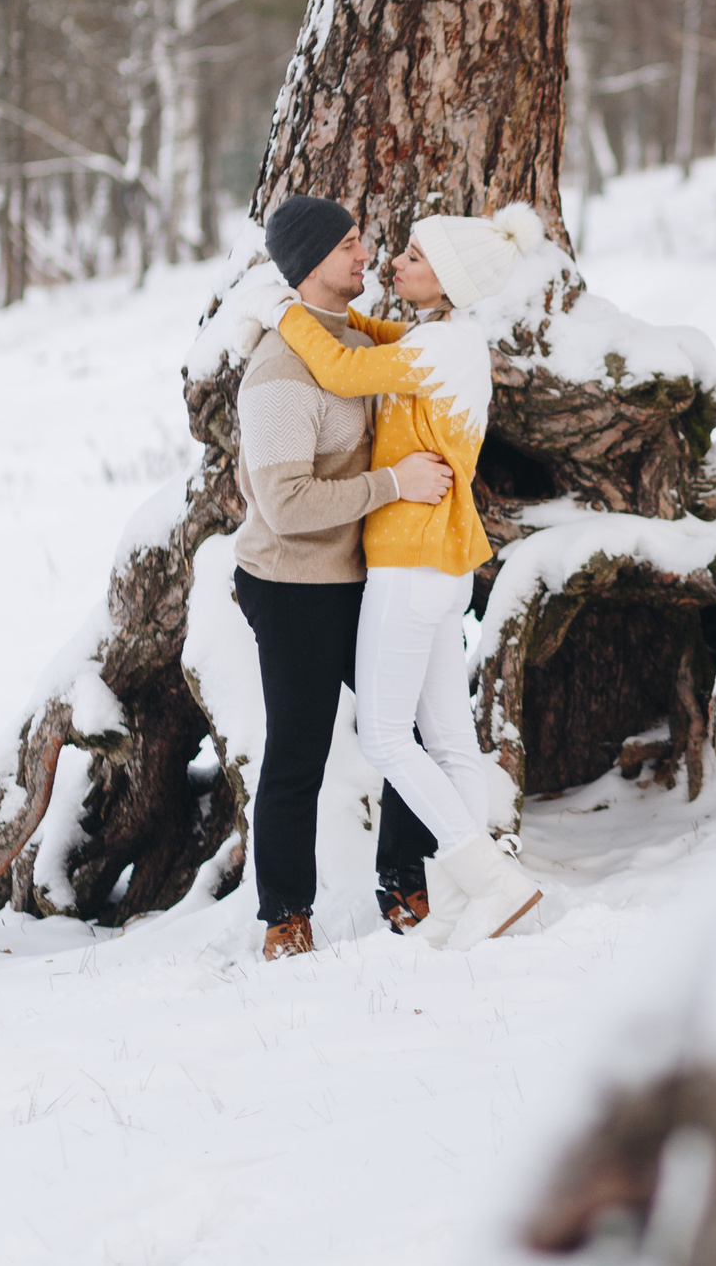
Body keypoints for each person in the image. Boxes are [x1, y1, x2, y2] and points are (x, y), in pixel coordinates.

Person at [266, 204, 548, 946]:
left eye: (415, 258)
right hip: (438, 567)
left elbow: (342, 365)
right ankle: (460, 902)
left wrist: (281, 311)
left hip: (411, 562)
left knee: (388, 737)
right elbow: (383, 341)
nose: (394, 262)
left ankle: (491, 879)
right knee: (450, 740)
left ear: (446, 278)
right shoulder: (444, 341)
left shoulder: (443, 349)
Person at [221, 197, 455, 961]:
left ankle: (403, 884)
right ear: (311, 259)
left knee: (406, 726)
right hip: (291, 586)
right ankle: (284, 916)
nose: (366, 256)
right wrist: (394, 485)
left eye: (363, 242)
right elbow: (285, 506)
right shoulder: (281, 369)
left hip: (357, 579)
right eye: (350, 244)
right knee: (298, 752)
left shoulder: (350, 340)